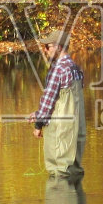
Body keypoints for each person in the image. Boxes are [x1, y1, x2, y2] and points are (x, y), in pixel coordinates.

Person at [31, 28, 85, 180]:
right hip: (76, 130)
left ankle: (61, 202)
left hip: (59, 130)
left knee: (58, 172)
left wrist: (38, 124)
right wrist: (37, 114)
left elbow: (49, 101)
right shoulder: (77, 69)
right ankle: (76, 203)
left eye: (47, 46)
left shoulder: (57, 70)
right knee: (73, 171)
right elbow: (65, 101)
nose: (45, 50)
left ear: (58, 47)